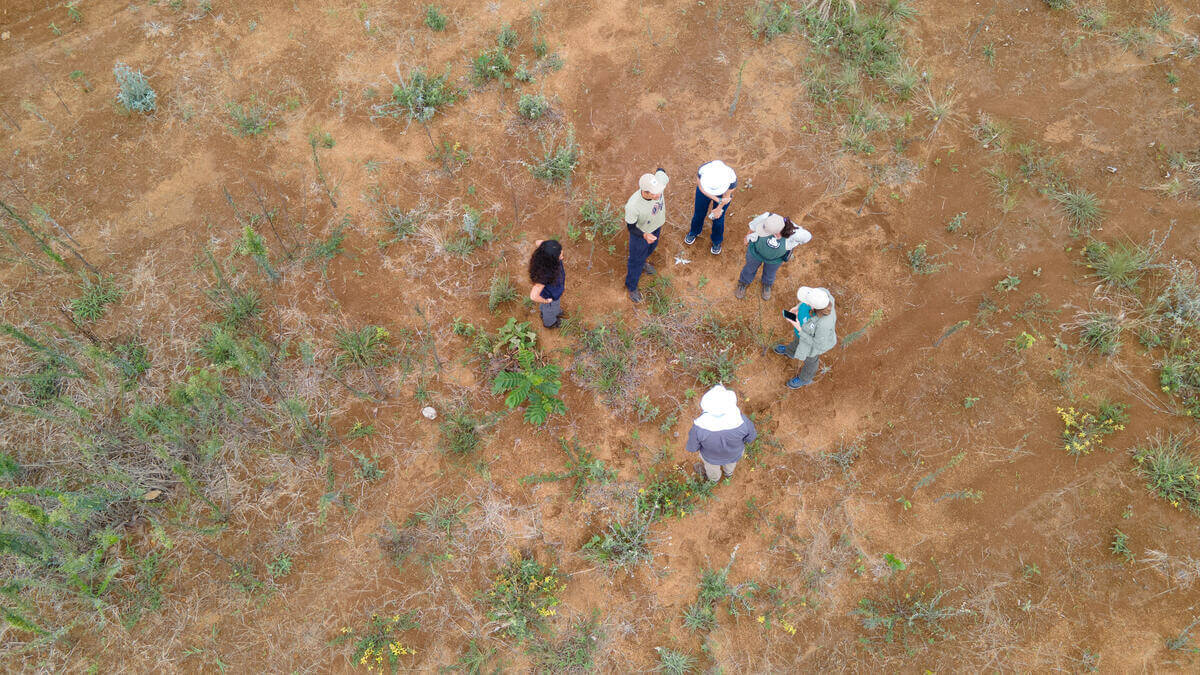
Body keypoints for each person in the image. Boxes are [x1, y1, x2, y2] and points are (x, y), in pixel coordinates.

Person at [684, 384, 757, 483]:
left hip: (711, 458)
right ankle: (728, 474)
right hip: (734, 454)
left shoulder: (699, 427)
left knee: (712, 471)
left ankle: (714, 480)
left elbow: (693, 447)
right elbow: (751, 437)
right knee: (730, 465)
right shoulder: (742, 421)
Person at [735, 212, 812, 300]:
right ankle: (743, 282)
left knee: (770, 273)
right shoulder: (767, 217)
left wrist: (793, 241)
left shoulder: (794, 233)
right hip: (755, 252)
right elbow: (753, 227)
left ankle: (767, 284)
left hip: (775, 259)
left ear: (777, 233)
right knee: (749, 268)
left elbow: (807, 237)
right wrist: (747, 237)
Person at [775, 286, 837, 389]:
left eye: (806, 302)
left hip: (812, 346)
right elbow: (807, 300)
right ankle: (790, 352)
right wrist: (797, 307)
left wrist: (799, 329)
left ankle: (805, 379)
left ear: (813, 307)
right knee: (796, 343)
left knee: (810, 361)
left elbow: (818, 345)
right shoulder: (823, 294)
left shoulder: (824, 324)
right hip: (802, 332)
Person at [624, 168, 669, 304]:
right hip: (641, 235)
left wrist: (657, 174)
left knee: (651, 248)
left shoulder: (658, 183)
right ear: (645, 192)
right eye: (656, 193)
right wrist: (644, 235)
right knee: (635, 261)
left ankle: (643, 262)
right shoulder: (633, 206)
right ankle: (631, 286)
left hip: (656, 228)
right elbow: (631, 227)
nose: (660, 194)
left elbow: (661, 170)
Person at [684, 160, 737, 255]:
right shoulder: (702, 170)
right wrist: (717, 200)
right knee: (699, 213)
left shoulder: (732, 179)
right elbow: (701, 188)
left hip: (723, 196)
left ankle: (717, 241)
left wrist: (719, 208)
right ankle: (694, 232)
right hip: (704, 191)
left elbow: (726, 197)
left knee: (719, 219)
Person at [528, 239, 565, 328]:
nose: (562, 256)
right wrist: (546, 301)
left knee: (551, 308)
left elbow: (537, 242)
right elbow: (533, 296)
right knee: (549, 309)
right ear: (550, 260)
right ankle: (550, 323)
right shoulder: (544, 275)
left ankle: (550, 311)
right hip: (550, 297)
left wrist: (549, 246)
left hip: (553, 293)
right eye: (560, 255)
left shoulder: (546, 255)